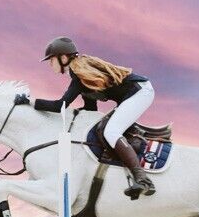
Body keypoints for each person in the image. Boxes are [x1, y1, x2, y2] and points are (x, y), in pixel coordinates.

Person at [15, 36, 156, 199]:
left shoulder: (79, 74)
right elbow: (90, 108)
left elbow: (59, 106)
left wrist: (29, 101)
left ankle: (143, 179)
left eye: (51, 60)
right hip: (134, 93)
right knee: (104, 129)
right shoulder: (82, 73)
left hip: (140, 92)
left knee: (111, 132)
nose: (50, 64)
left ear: (63, 58)